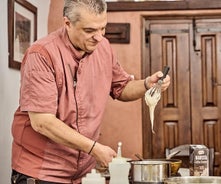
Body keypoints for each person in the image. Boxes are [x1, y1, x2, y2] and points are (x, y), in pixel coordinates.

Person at [10, 0, 170, 183]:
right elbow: (42, 122)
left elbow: (121, 87)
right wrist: (94, 148)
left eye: (103, 28)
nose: (99, 37)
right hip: (41, 172)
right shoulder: (41, 55)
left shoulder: (104, 48)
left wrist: (147, 84)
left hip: (81, 173)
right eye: (90, 30)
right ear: (67, 23)